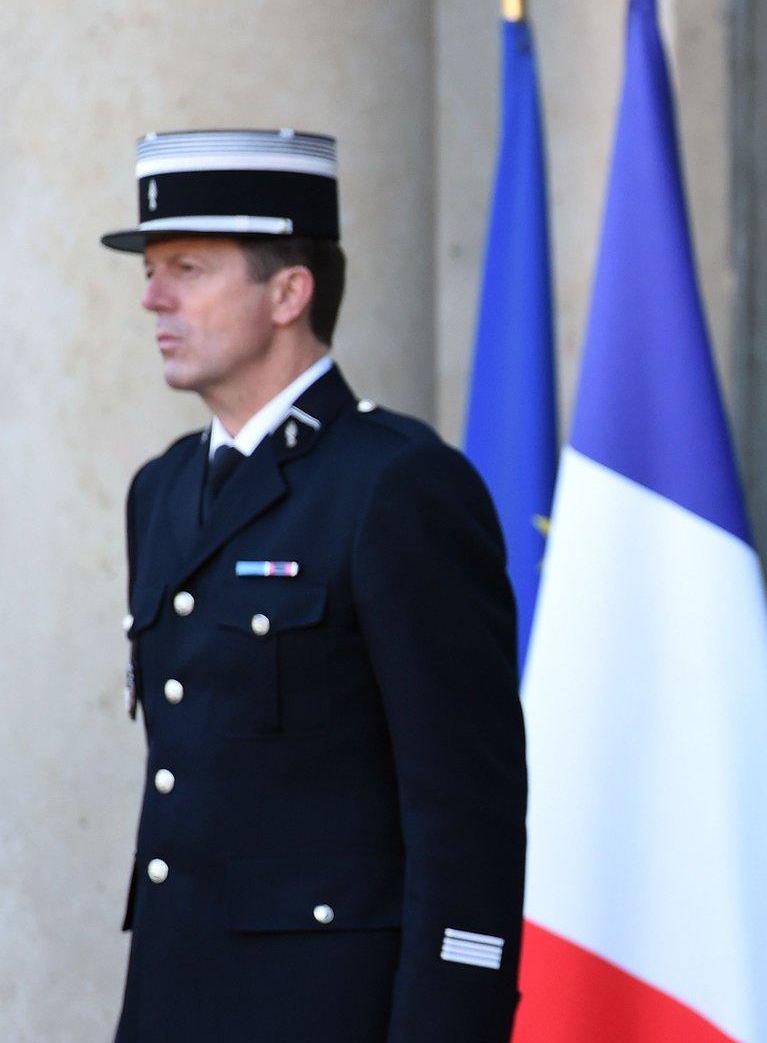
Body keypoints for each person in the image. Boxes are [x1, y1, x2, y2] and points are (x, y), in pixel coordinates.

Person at [107, 129, 528, 1042]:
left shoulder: (397, 487)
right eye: (152, 268)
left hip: (331, 1011)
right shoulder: (162, 491)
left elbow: (467, 808)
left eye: (188, 267)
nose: (152, 296)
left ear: (289, 292)